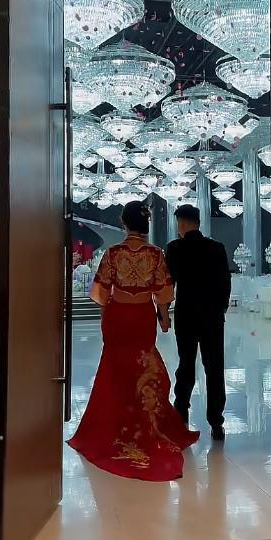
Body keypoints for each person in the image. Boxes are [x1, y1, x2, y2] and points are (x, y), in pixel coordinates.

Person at [68, 201, 199, 481]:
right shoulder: (155, 253)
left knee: (115, 369)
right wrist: (164, 317)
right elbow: (163, 290)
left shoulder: (113, 253)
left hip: (118, 315)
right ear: (145, 225)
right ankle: (143, 420)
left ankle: (115, 423)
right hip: (142, 316)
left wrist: (107, 315)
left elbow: (101, 291)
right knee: (143, 365)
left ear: (124, 223)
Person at [166, 204, 231, 441]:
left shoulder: (175, 248)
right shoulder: (216, 248)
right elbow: (225, 282)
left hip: (186, 315)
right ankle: (216, 421)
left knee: (186, 364)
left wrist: (163, 311)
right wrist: (220, 309)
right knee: (214, 368)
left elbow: (169, 282)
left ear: (182, 223)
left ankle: (181, 412)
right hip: (212, 316)